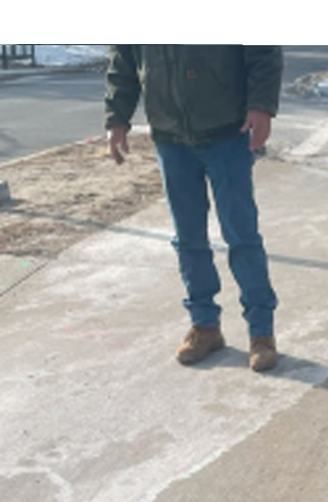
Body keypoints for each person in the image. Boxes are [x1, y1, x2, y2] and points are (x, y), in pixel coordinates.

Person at [104, 46, 283, 371]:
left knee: (241, 235)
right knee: (188, 238)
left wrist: (261, 106)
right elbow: (123, 59)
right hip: (170, 137)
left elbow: (263, 48)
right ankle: (205, 326)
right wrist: (117, 117)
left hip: (228, 131)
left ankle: (261, 333)